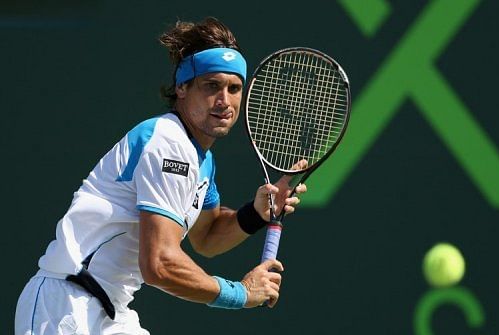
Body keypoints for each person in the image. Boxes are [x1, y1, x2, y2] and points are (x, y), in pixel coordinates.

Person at [15, 16, 307, 334]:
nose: (225, 101)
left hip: (111, 313)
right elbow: (159, 265)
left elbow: (207, 237)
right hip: (66, 308)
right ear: (182, 87)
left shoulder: (200, 159)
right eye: (212, 86)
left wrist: (256, 213)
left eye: (234, 88)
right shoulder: (169, 143)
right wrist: (240, 293)